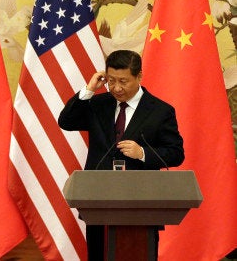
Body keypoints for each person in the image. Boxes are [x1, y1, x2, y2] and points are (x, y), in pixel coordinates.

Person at [58, 49, 184, 260]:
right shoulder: (98, 104)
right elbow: (66, 122)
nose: (116, 88)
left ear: (139, 76)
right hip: (98, 201)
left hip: (141, 202)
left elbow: (176, 153)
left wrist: (142, 152)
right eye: (111, 81)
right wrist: (89, 89)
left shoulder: (161, 111)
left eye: (123, 81)